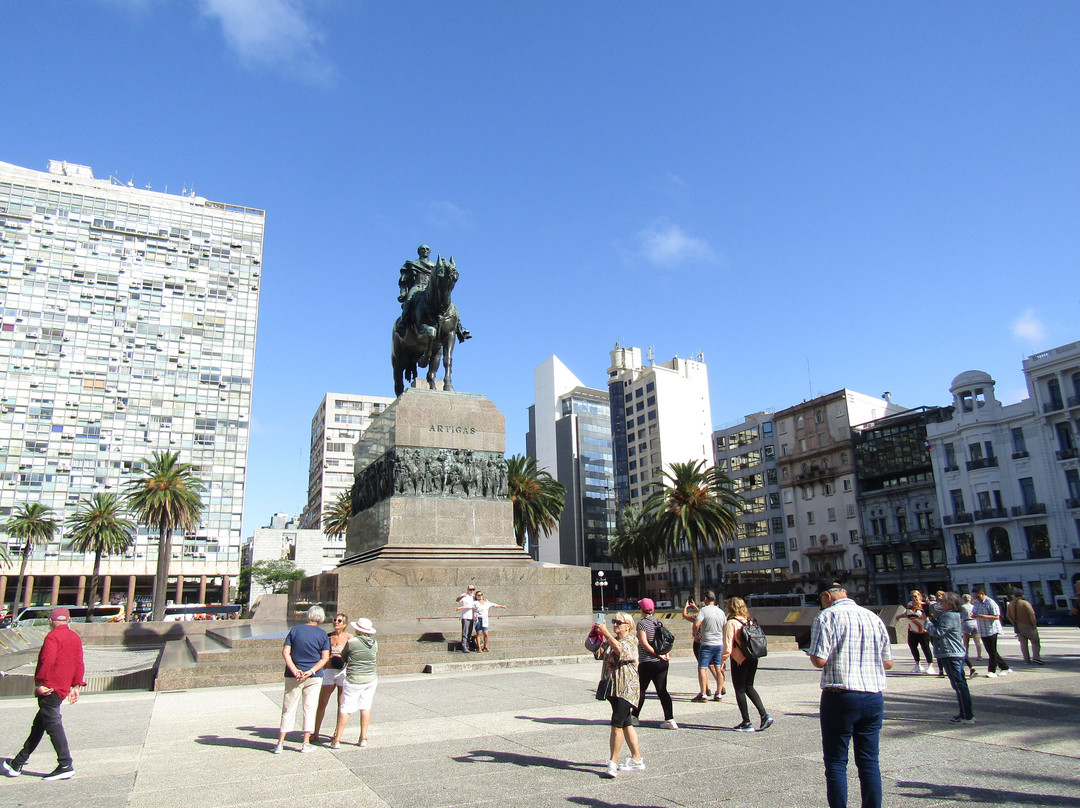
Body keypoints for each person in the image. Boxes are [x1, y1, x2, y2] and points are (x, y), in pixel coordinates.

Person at [808, 579, 894, 808]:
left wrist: (814, 654)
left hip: (841, 695)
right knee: (869, 760)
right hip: (873, 695)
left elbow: (819, 660)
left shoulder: (826, 617)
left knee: (836, 761)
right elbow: (888, 662)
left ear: (827, 596)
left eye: (821, 600)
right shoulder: (873, 617)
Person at [2, 607, 85, 781]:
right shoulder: (75, 637)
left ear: (51, 621)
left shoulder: (52, 637)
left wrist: (40, 683)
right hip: (62, 688)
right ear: (68, 619)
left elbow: (46, 661)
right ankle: (17, 763)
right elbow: (79, 663)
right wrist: (76, 685)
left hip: (50, 688)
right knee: (39, 725)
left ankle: (65, 764)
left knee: (53, 725)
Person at [275, 605, 331, 754]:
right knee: (309, 707)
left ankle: (280, 743)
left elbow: (285, 652)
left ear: (308, 615)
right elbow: (325, 658)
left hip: (293, 674)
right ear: (321, 618)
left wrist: (294, 670)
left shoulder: (295, 630)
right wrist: (311, 671)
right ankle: (305, 743)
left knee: (288, 708)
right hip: (313, 676)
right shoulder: (322, 634)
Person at [594, 613, 643, 778]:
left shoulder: (632, 640)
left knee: (616, 724)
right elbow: (598, 653)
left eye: (618, 622)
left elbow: (621, 651)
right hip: (613, 688)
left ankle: (613, 763)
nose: (615, 624)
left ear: (627, 626)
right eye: (614, 622)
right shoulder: (612, 640)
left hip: (626, 689)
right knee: (626, 723)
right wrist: (596, 635)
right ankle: (637, 759)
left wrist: (606, 633)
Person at [722, 597, 774, 732]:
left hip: (739, 660)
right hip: (753, 657)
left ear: (730, 608)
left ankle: (747, 722)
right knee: (749, 687)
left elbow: (728, 647)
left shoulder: (731, 623)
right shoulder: (749, 621)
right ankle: (764, 715)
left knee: (739, 690)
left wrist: (721, 661)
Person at [926, 592, 975, 723]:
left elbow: (938, 632)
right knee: (960, 684)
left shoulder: (948, 615)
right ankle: (965, 713)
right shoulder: (954, 615)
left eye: (942, 601)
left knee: (959, 685)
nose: (940, 603)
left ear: (949, 603)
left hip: (950, 652)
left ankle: (967, 715)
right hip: (955, 652)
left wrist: (928, 623)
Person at [331, 618, 378, 749]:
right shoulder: (375, 643)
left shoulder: (352, 642)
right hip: (370, 677)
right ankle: (363, 737)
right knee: (366, 706)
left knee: (346, 708)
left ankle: (337, 739)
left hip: (354, 678)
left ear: (358, 629)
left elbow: (344, 657)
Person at [631, 598, 678, 730]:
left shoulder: (642, 624)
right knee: (662, 691)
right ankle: (670, 719)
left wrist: (656, 654)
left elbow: (644, 643)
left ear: (642, 610)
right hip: (662, 663)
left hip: (647, 662)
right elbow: (667, 640)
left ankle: (634, 717)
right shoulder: (658, 622)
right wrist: (665, 654)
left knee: (641, 690)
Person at [312, 612, 352, 742]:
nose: (336, 622)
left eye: (339, 621)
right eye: (335, 620)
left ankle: (337, 732)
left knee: (341, 703)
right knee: (322, 702)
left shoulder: (349, 637)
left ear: (345, 624)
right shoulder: (327, 636)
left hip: (342, 672)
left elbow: (353, 654)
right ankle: (316, 732)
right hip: (329, 671)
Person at [691, 591, 726, 702]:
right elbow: (725, 626)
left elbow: (697, 623)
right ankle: (719, 693)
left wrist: (695, 634)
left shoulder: (704, 610)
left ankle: (703, 694)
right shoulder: (721, 612)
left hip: (707, 643)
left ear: (706, 599)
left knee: (702, 667)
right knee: (718, 668)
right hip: (719, 643)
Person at [972, 589, 1011, 678]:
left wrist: (983, 616)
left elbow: (996, 616)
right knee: (990, 650)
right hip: (983, 629)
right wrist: (973, 615)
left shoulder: (990, 602)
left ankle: (992, 670)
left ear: (982, 594)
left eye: (978, 596)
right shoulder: (976, 603)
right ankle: (1005, 667)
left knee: (992, 651)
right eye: (975, 596)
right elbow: (974, 612)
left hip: (992, 629)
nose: (976, 598)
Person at [901, 590, 935, 674]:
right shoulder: (910, 605)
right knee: (912, 646)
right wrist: (900, 616)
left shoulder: (924, 605)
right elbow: (907, 614)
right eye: (912, 597)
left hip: (923, 629)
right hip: (912, 629)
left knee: (925, 647)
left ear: (919, 596)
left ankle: (930, 665)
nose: (914, 598)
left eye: (915, 596)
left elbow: (928, 617)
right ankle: (918, 664)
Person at [1006, 589, 1043, 665]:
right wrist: (1034, 624)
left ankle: (1026, 659)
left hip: (1018, 625)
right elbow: (1031, 615)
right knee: (1035, 642)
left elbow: (1008, 616)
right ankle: (1036, 658)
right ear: (1022, 595)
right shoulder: (1025, 603)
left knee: (1023, 644)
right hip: (1028, 625)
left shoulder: (1010, 604)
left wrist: (1014, 623)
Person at [960, 593, 983, 665]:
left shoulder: (962, 607)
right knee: (977, 641)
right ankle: (979, 655)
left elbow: (960, 616)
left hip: (966, 622)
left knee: (966, 641)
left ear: (963, 600)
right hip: (974, 622)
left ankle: (966, 655)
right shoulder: (973, 606)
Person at [455, 585, 477, 653]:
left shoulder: (474, 597)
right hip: (465, 616)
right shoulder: (464, 595)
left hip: (472, 617)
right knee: (465, 632)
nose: (472, 591)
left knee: (469, 633)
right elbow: (457, 600)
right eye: (470, 589)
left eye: (473, 589)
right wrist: (461, 597)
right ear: (467, 589)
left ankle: (467, 645)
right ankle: (464, 646)